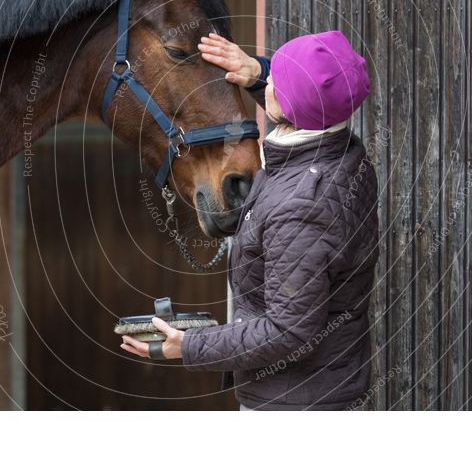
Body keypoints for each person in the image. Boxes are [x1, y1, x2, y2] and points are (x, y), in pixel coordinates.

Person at [120, 30, 379, 410]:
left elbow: (287, 329)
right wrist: (257, 74)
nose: (268, 76)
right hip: (321, 386)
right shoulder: (342, 152)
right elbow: (307, 107)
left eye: (276, 80)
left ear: (292, 107)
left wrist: (188, 346)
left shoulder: (302, 209)